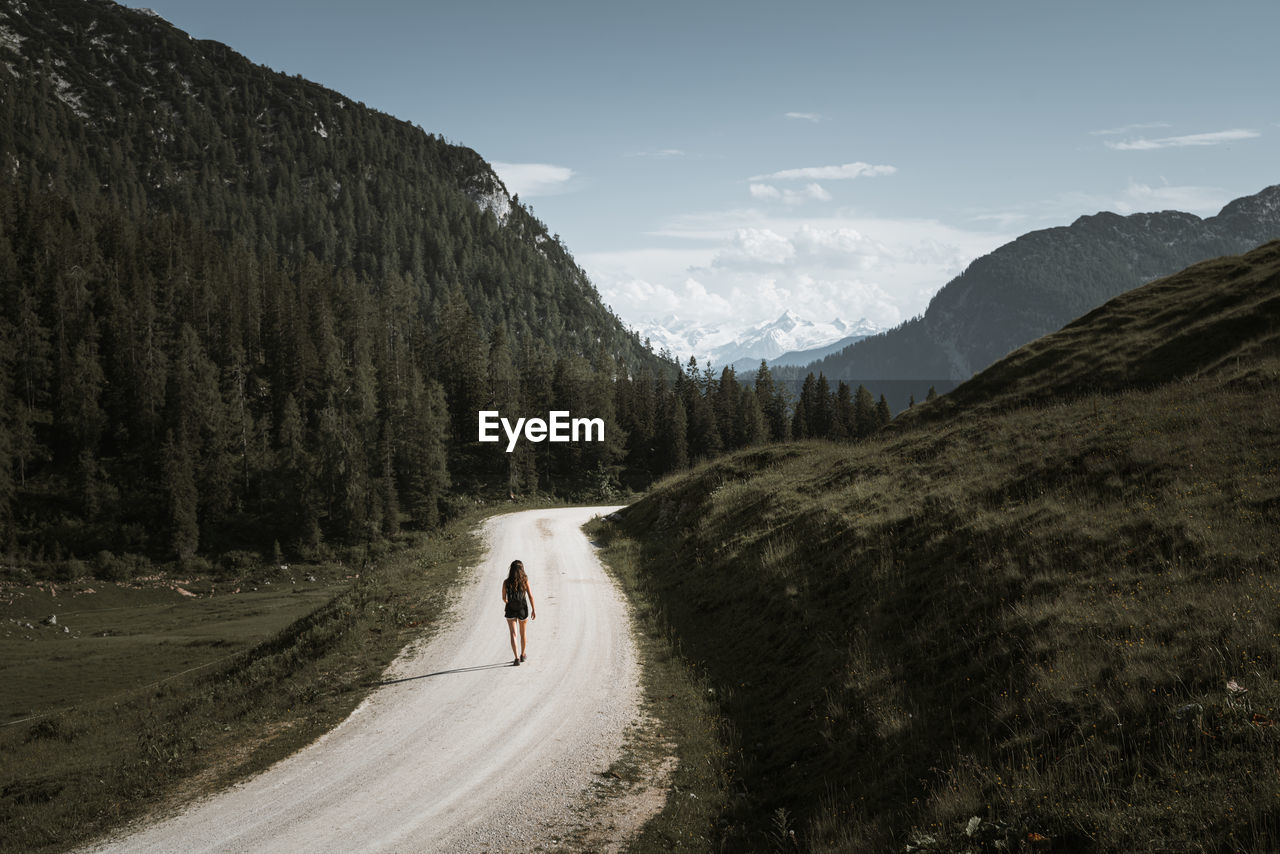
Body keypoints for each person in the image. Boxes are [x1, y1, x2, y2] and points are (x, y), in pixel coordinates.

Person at [501, 559, 536, 665]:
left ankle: (516, 658)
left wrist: (508, 603)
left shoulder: (506, 582)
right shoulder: (525, 580)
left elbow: (503, 598)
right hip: (522, 609)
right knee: (523, 633)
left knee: (513, 634)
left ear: (511, 570)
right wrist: (534, 609)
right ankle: (522, 654)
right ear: (522, 569)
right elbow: (530, 596)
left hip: (510, 609)